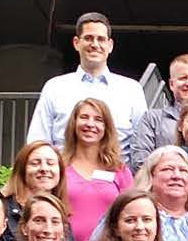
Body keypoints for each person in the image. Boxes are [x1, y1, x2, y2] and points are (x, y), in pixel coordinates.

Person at [27, 12, 147, 162]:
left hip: (116, 179)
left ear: (110, 46)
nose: (95, 44)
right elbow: (38, 140)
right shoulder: (55, 87)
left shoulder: (131, 90)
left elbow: (141, 145)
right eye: (88, 38)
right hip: (64, 179)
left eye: (101, 39)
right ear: (76, 43)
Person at [85, 146, 188, 241]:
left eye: (183, 170)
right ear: (150, 177)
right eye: (168, 169)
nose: (176, 176)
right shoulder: (125, 216)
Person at [62, 97, 133, 241]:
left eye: (98, 119)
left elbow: (131, 211)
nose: (90, 124)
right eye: (84, 117)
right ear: (74, 123)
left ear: (106, 127)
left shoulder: (119, 170)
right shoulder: (59, 167)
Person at [0, 140, 80, 241]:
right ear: (22, 170)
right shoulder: (1, 211)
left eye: (50, 163)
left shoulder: (59, 214)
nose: (44, 169)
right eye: (35, 163)